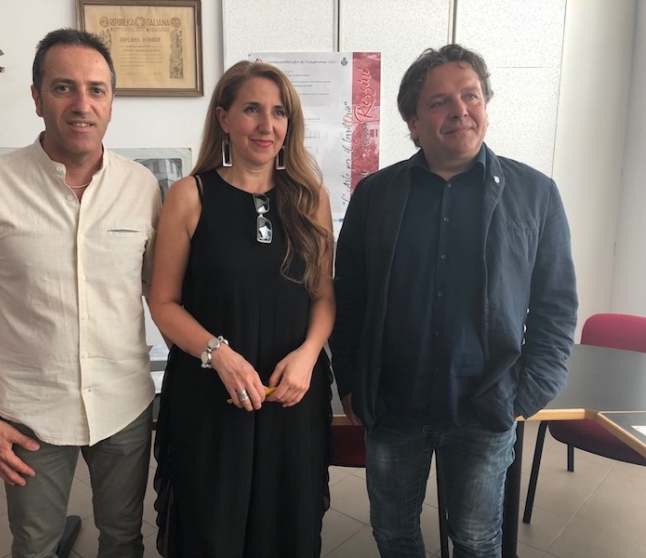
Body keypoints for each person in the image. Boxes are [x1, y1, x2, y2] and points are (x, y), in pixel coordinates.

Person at [330, 44, 578, 558]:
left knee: (476, 539)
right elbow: (349, 296)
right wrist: (351, 382)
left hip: (486, 406)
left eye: (471, 96)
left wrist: (527, 393)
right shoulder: (375, 195)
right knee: (393, 533)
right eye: (439, 102)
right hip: (392, 404)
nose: (460, 110)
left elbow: (555, 306)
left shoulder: (536, 195)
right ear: (413, 123)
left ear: (485, 105)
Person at [0, 28, 162, 558]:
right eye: (64, 88)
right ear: (37, 98)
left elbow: (162, 294)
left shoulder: (142, 187)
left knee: (124, 538)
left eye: (97, 89)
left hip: (123, 404)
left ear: (111, 101)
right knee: (35, 544)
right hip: (29, 412)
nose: (82, 104)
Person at [148, 60, 335, 558]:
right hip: (211, 394)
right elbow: (162, 302)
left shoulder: (310, 198)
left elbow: (323, 296)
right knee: (213, 529)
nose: (266, 124)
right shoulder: (190, 195)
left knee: (286, 527)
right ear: (224, 117)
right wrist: (219, 355)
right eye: (252, 109)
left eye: (279, 112)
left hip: (291, 395)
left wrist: (308, 356)